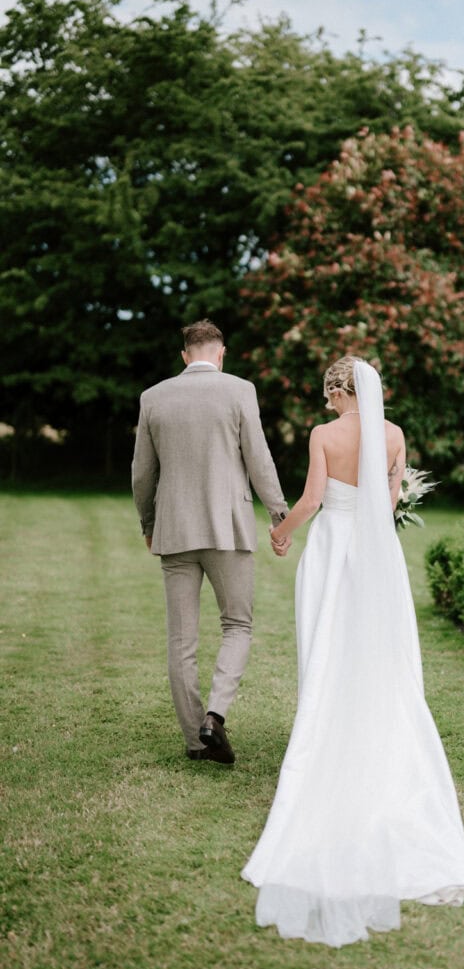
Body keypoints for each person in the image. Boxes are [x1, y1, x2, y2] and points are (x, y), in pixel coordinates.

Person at [241, 356, 464, 947]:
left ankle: (328, 730)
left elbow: (311, 499)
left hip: (333, 547)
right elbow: (388, 500)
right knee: (378, 647)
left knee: (327, 642)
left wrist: (282, 532)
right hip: (377, 552)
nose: (326, 403)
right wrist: (372, 523)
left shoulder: (324, 436)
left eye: (328, 393)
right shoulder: (393, 434)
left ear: (341, 389)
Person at [132, 320, 289, 765]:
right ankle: (214, 716)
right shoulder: (240, 390)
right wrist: (279, 514)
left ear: (185, 355)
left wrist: (148, 522)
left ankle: (196, 741)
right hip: (229, 528)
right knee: (237, 624)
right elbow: (258, 457)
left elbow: (142, 472)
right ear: (221, 353)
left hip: (175, 530)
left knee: (180, 639)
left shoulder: (153, 397)